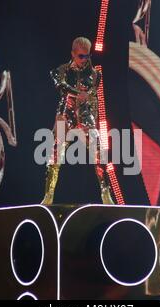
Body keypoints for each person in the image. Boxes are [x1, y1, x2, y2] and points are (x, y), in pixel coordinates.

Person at [41, 37, 115, 205]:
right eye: (81, 56)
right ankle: (48, 194)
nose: (84, 60)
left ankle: (105, 193)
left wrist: (93, 119)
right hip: (65, 114)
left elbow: (93, 99)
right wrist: (77, 93)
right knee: (54, 153)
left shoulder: (95, 75)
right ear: (73, 54)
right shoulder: (62, 70)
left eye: (87, 56)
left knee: (99, 150)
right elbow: (60, 86)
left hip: (85, 115)